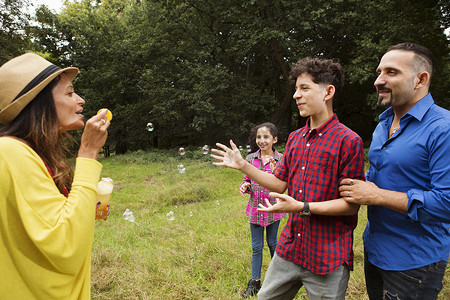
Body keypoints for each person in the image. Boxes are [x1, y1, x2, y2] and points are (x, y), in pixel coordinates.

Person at [212, 57, 365, 299]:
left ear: (328, 92)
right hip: (291, 247)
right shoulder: (295, 138)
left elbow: (351, 205)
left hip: (329, 255)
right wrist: (243, 166)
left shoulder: (349, 141)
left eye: (304, 88)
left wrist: (302, 207)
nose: (296, 95)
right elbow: (280, 183)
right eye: (296, 89)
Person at [339, 42, 450, 299]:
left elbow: (447, 203)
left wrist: (377, 196)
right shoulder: (384, 123)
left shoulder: (443, 130)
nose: (379, 80)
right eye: (379, 72)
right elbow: (383, 177)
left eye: (391, 72)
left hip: (414, 261)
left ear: (421, 79)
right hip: (376, 249)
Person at [0, 53, 110, 299]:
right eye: (70, 93)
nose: (80, 100)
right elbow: (64, 244)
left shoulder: (30, 152)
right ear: (40, 103)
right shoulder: (10, 152)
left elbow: (44, 219)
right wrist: (89, 152)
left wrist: (83, 208)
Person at [239, 122, 286, 298]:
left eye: (266, 137)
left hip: (273, 208)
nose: (262, 140)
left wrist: (276, 171)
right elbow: (248, 179)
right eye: (259, 137)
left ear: (274, 139)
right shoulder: (250, 158)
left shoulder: (282, 159)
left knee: (273, 243)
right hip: (255, 209)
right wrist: (245, 186)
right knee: (256, 247)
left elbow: (282, 183)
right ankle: (255, 282)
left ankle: (278, 279)